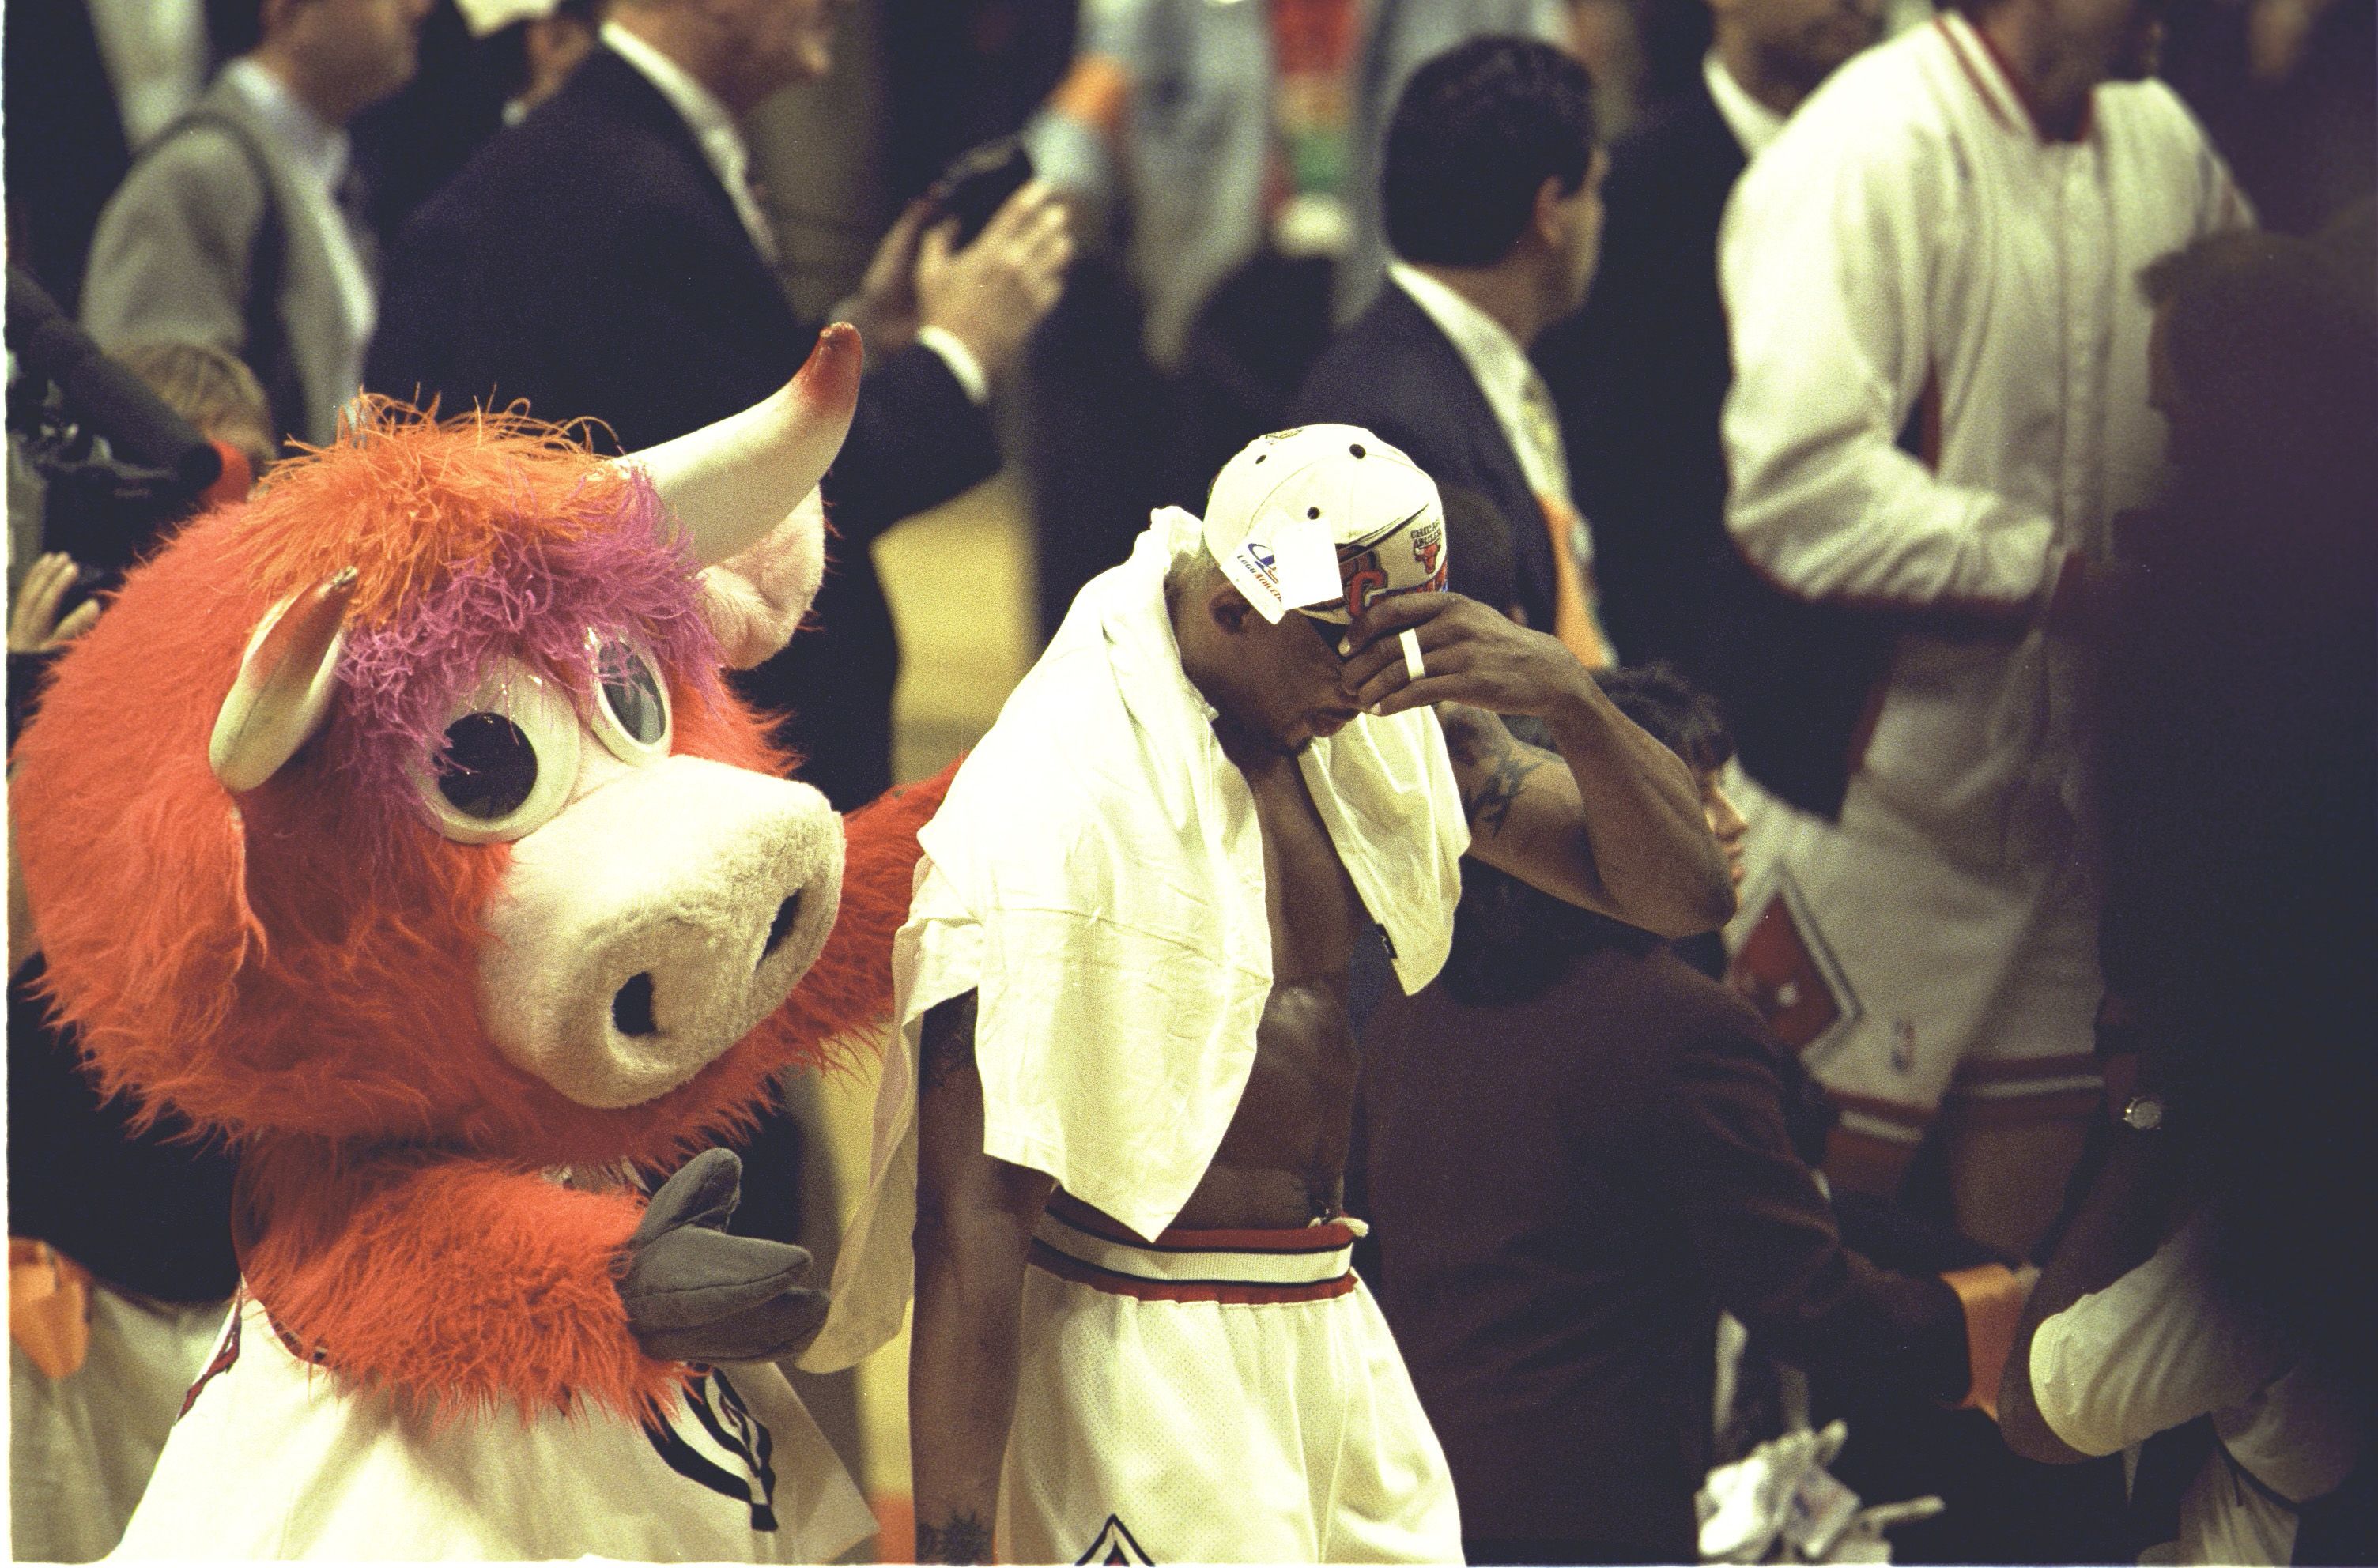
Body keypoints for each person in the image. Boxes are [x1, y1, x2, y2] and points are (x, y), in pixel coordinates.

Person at [795, 425, 1731, 1562]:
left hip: (1328, 1307)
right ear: (1234, 607)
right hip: (1136, 1348)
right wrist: (951, 1554)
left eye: (1393, 646)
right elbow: (972, 1225)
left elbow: (1683, 896)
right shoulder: (1047, 807)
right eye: (1341, 650)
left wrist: (1569, 699)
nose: (1365, 684)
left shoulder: (1379, 712)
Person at [1713, 0, 2249, 1257]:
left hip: (2071, 823)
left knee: (2037, 1265)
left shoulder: (2164, 135)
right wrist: (2065, 581)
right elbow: (1796, 489)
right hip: (1874, 811)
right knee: (1791, 1253)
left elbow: (2269, 347)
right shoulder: (1866, 143)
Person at [1360, 662, 2023, 1565]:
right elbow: (1804, 1299)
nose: (1733, 820)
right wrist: (1999, 1319)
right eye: (1692, 794)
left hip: (1407, 1504)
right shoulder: (1682, 1023)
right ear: (1589, 812)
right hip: (1590, 1526)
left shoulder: (1409, 1004)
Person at [367, 0, 1069, 815]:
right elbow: (768, 509)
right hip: (695, 781)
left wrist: (868, 333)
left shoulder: (622, 151)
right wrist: (960, 348)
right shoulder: (615, 185)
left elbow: (716, 403)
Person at [1532, 0, 1880, 686]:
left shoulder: (1908, 173)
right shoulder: (1625, 195)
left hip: (1885, 663)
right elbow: (1609, 485)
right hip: (1685, 679)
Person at [1293, 37, 1612, 676]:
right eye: (1596, 190)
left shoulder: (1490, 368)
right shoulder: (1384, 424)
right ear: (1551, 211)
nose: (1602, 216)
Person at [80, 0, 432, 450]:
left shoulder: (327, 170)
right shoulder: (203, 170)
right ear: (286, 8)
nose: (419, 8)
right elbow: (151, 422)